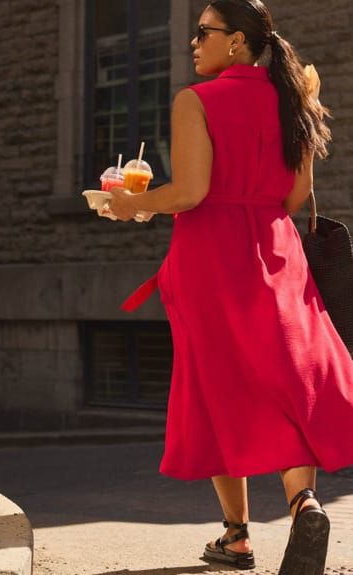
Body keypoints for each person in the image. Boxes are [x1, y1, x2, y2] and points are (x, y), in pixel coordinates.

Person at [107, 0, 353, 573]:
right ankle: (303, 502)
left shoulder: (196, 101)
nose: (194, 43)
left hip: (211, 257)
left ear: (238, 42)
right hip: (275, 247)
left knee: (218, 385)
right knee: (285, 377)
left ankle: (237, 535)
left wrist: (130, 204)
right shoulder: (294, 102)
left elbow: (189, 192)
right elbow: (295, 199)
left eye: (204, 33)